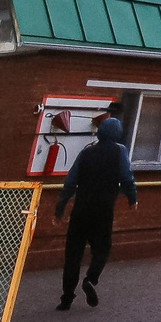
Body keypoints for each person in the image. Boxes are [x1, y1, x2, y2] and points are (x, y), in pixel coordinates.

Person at [55, 112, 139, 309]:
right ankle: (90, 280)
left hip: (80, 209)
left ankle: (66, 299)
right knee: (102, 249)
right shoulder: (120, 151)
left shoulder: (86, 152)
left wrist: (60, 207)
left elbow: (70, 181)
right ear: (117, 134)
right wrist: (132, 198)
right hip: (103, 210)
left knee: (73, 254)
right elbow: (127, 177)